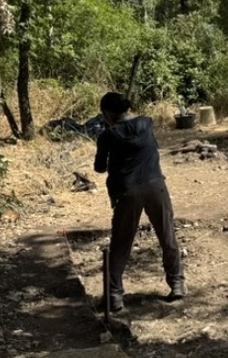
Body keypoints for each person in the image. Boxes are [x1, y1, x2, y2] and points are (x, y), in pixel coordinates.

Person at [93, 92, 184, 312]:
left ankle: (114, 296)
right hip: (156, 185)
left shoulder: (107, 136)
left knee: (121, 243)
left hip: (127, 191)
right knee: (167, 235)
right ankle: (177, 284)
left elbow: (99, 167)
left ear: (107, 113)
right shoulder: (146, 123)